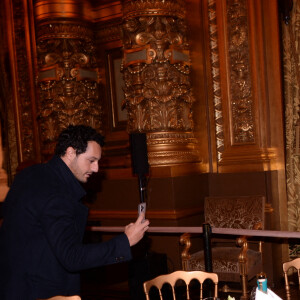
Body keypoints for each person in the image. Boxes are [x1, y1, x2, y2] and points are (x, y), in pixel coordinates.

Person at [0, 125, 150, 300]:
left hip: (12, 286)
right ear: (70, 153)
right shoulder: (56, 193)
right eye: (91, 160)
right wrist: (125, 241)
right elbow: (72, 257)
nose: (96, 168)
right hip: (42, 292)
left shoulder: (30, 174)